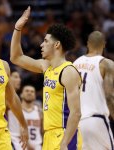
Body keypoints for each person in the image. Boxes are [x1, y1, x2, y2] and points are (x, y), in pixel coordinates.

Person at [10, 7, 82, 150]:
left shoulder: (68, 71)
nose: (41, 44)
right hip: (48, 136)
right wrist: (17, 29)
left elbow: (76, 112)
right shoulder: (46, 66)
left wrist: (65, 142)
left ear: (56, 45)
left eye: (45, 41)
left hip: (64, 134)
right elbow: (16, 57)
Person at [73, 31, 114, 150]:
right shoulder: (106, 64)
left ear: (87, 44)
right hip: (97, 120)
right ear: (104, 44)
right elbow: (110, 97)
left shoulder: (75, 64)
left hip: (76, 123)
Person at [21, 85, 42, 150]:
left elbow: (43, 131)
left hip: (37, 146)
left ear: (35, 96)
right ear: (21, 94)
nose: (29, 93)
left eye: (32, 91)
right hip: (21, 146)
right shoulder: (16, 110)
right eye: (27, 91)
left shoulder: (40, 111)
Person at [7, 69, 23, 149]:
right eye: (16, 77)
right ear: (8, 78)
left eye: (19, 77)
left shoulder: (18, 97)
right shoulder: (4, 96)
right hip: (8, 137)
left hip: (18, 138)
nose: (19, 80)